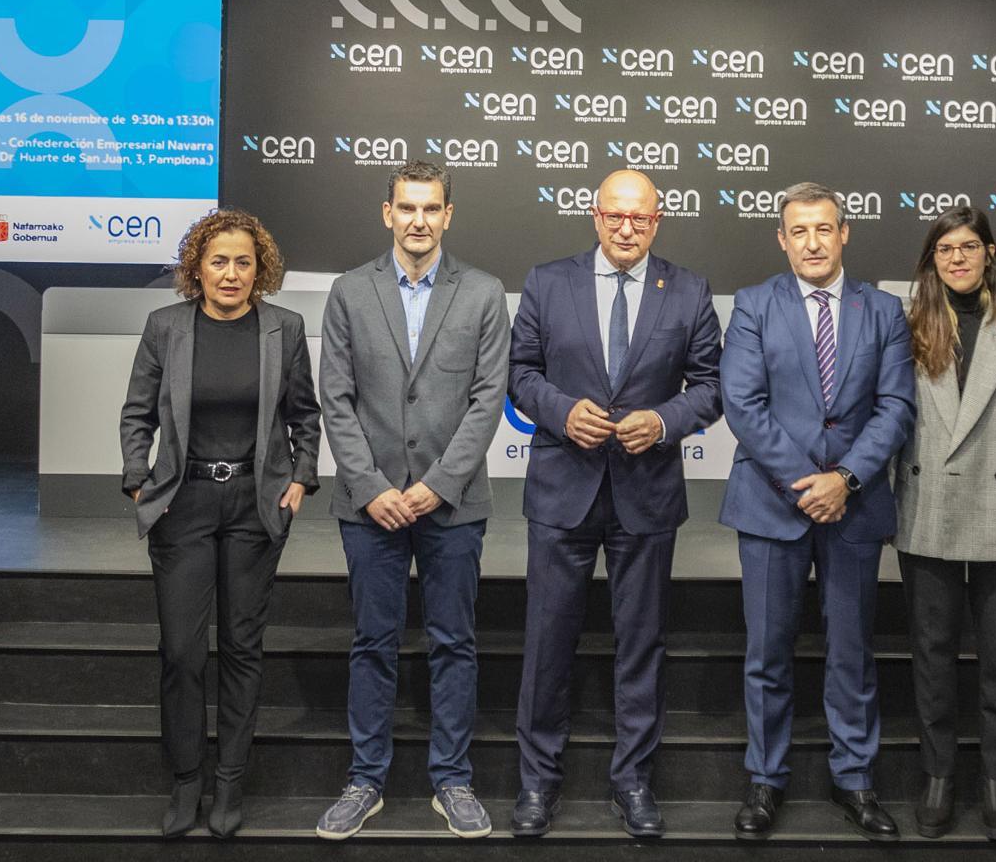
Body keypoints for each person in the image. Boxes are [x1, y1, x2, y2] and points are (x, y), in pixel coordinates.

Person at [507, 168, 723, 839]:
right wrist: (561, 411)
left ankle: (633, 781)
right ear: (595, 216)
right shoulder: (548, 281)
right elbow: (520, 374)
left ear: (658, 221)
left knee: (641, 645)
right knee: (547, 644)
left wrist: (664, 421)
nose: (627, 228)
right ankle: (537, 784)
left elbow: (712, 385)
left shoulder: (688, 290)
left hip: (646, 494)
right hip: (562, 490)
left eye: (642, 218)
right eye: (616, 215)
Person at [313, 161, 510, 840]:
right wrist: (371, 489)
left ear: (448, 215)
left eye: (431, 209)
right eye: (407, 208)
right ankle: (364, 780)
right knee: (373, 642)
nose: (419, 220)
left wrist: (432, 487)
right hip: (369, 508)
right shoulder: (348, 291)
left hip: (451, 505)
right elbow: (334, 400)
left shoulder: (483, 294)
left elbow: (487, 403)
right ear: (387, 213)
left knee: (454, 642)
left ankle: (451, 781)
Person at [719, 181, 913, 843]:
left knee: (852, 652)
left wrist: (847, 479)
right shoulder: (753, 305)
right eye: (798, 230)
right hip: (774, 504)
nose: (811, 242)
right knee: (767, 653)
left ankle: (854, 777)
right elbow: (743, 405)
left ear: (844, 233)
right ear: (782, 238)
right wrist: (811, 481)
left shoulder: (883, 310)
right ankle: (765, 779)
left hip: (854, 508)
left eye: (823, 229)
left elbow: (896, 407)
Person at [119, 208, 320, 838]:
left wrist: (300, 480)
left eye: (243, 262)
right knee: (181, 651)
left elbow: (305, 417)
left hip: (255, 508)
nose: (230, 274)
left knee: (241, 647)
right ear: (196, 269)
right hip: (184, 504)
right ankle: (186, 782)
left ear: (259, 270)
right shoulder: (165, 326)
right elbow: (136, 414)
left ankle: (230, 783)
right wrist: (136, 479)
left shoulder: (283, 329)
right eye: (218, 261)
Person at [895, 205, 996, 842]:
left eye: (969, 247)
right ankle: (938, 777)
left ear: (990, 252)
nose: (957, 258)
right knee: (932, 656)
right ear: (931, 261)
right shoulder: (910, 323)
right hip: (926, 504)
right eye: (945, 250)